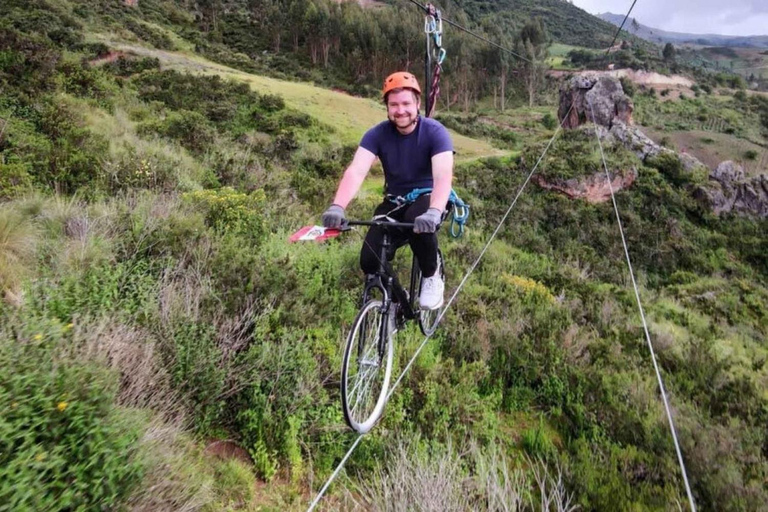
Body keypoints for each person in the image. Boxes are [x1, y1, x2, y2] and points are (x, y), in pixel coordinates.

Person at [321, 71, 454, 310]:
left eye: (406, 104)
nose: (400, 110)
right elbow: (357, 171)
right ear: (386, 107)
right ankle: (396, 298)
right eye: (394, 105)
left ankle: (432, 275)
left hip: (429, 197)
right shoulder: (377, 134)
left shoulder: (435, 132)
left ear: (417, 104)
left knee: (418, 221)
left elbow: (443, 175)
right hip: (394, 201)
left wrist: (435, 210)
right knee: (370, 260)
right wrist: (337, 205)